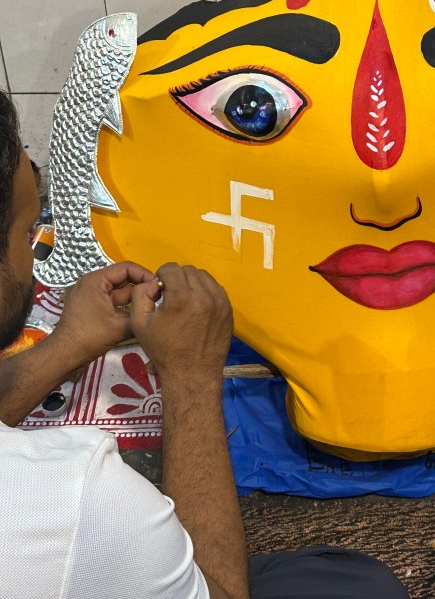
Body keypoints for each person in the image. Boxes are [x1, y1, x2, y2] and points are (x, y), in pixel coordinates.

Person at [0, 88, 407, 599]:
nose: (37, 258)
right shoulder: (72, 501)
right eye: (28, 232)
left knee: (342, 577)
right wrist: (190, 374)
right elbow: (218, 591)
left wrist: (66, 346)